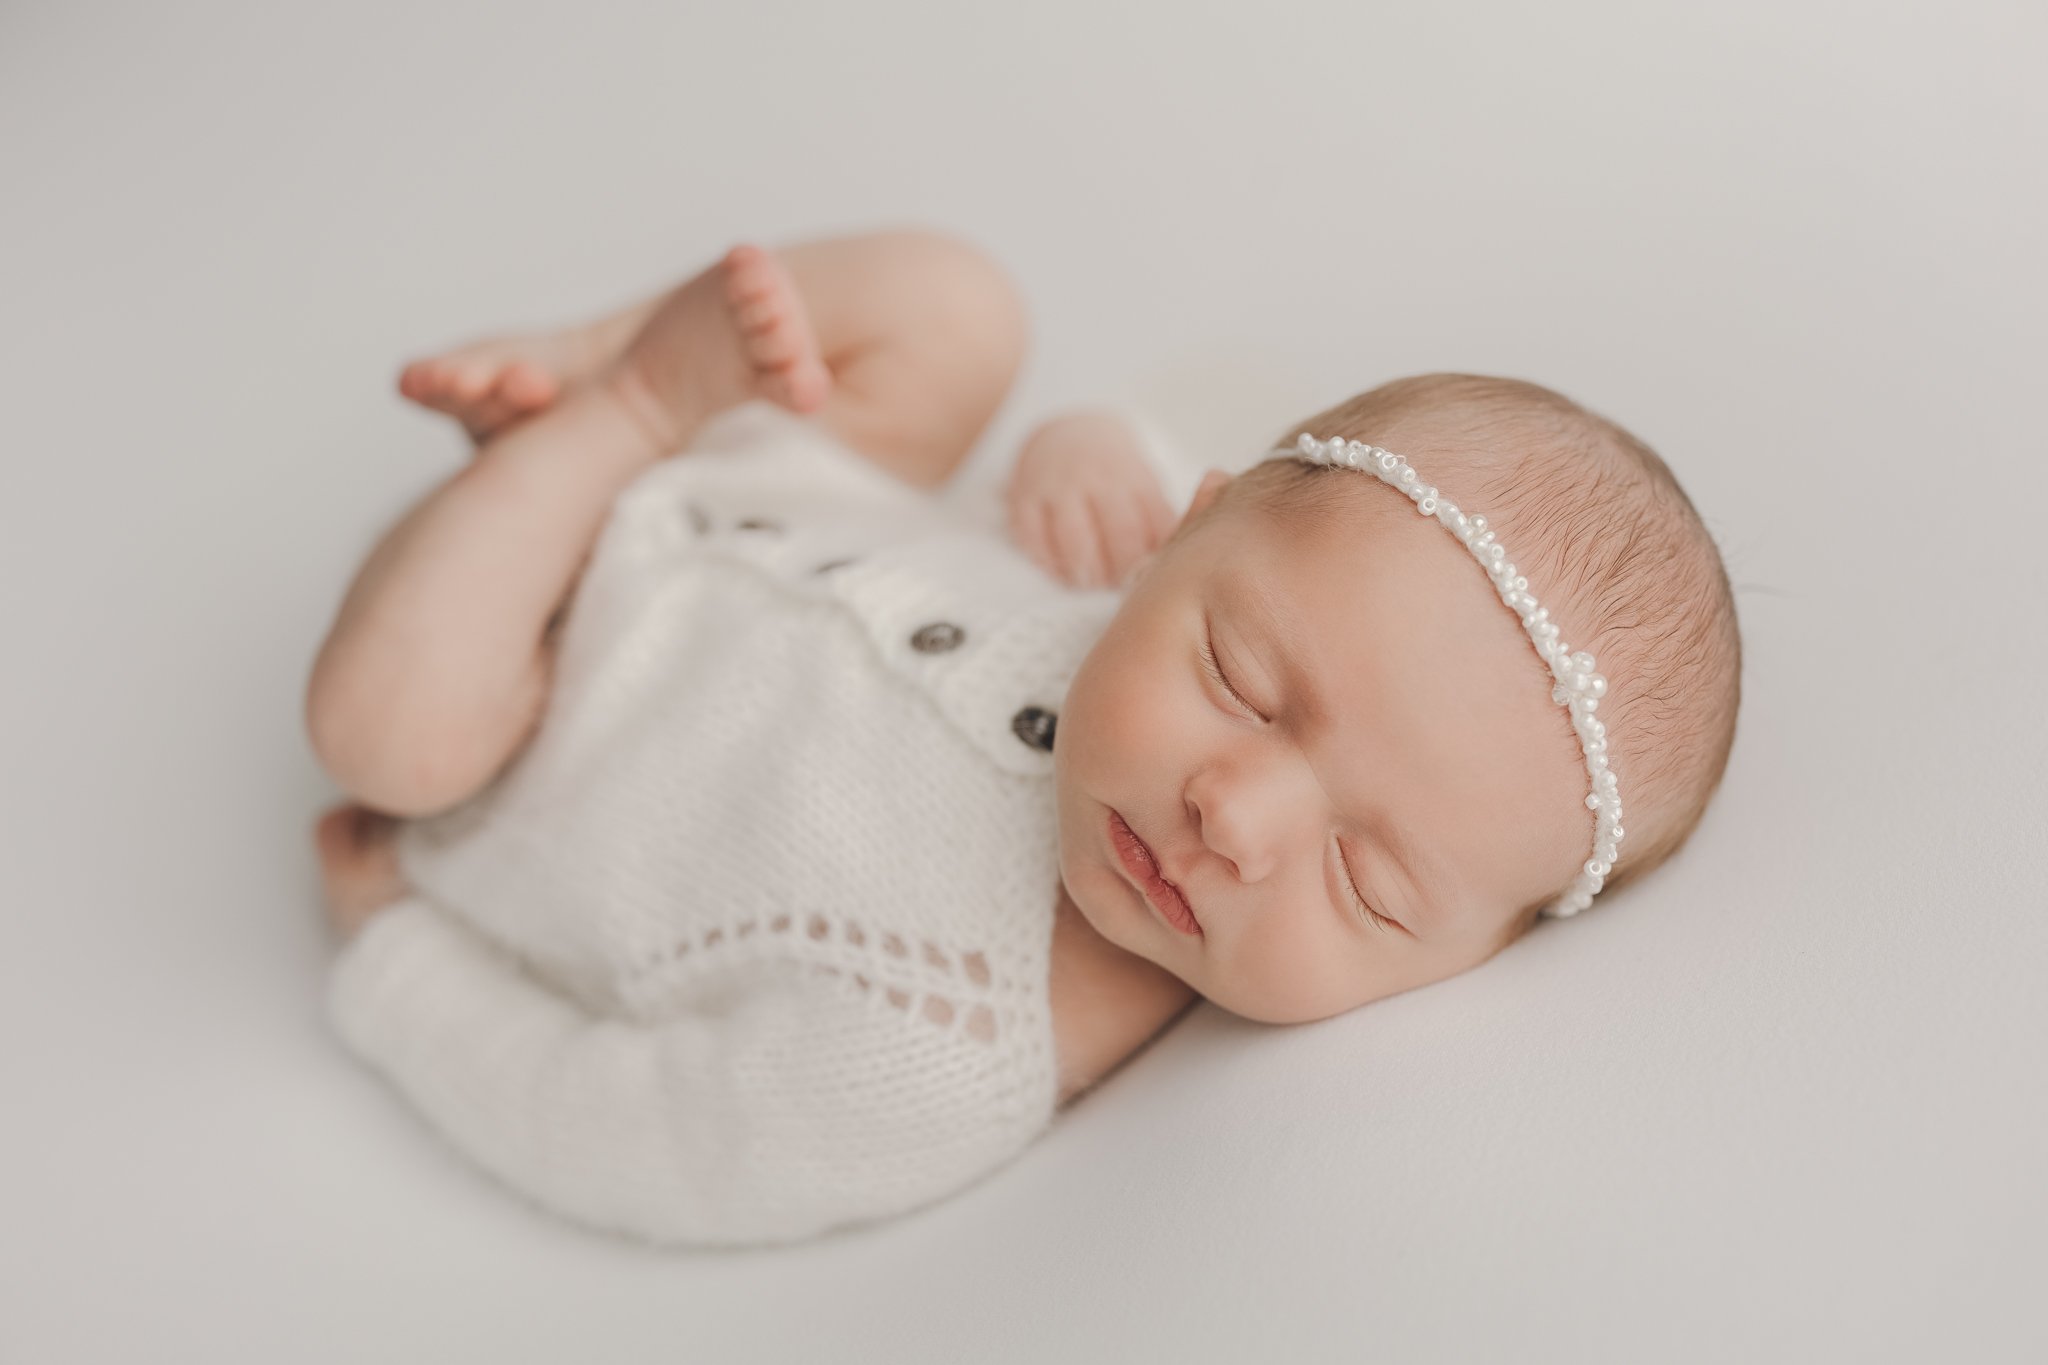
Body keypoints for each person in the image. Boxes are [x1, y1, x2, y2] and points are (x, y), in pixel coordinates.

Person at [305, 227, 1741, 1247]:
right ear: (1191, 531)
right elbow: (1147, 477)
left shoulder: (938, 1057)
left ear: (1471, 956)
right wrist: (1084, 452)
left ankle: (612, 407)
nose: (1234, 817)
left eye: (1367, 882)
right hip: (785, 481)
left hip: (515, 697)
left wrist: (402, 969)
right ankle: (605, 361)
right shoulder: (1143, 584)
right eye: (1242, 678)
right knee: (957, 304)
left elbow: (638, 1135)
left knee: (384, 736)